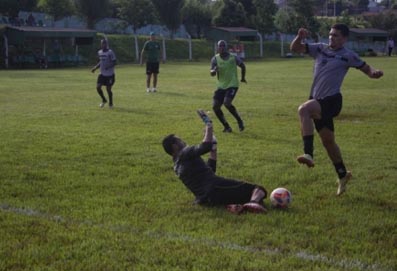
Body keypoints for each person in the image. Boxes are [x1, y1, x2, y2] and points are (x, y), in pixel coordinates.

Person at [290, 24, 383, 196]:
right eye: (331, 35)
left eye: (336, 36)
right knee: (328, 142)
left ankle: (308, 153)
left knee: (303, 110)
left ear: (345, 39)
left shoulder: (348, 56)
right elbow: (295, 48)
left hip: (332, 101)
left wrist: (374, 73)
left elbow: (366, 68)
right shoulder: (319, 49)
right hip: (317, 100)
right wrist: (299, 36)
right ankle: (342, 175)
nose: (332, 38)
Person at [162, 110, 267, 214]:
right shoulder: (184, 153)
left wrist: (214, 148)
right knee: (257, 190)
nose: (184, 141)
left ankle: (235, 205)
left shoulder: (176, 166)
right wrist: (208, 124)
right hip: (215, 188)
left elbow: (210, 170)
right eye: (180, 140)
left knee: (242, 194)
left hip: (205, 199)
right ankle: (253, 203)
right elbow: (205, 146)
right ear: (175, 146)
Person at [210, 40, 246, 133]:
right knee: (215, 107)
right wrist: (214, 70)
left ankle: (239, 120)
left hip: (232, 84)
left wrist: (242, 78)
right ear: (217, 48)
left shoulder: (233, 57)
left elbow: (243, 66)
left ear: (226, 47)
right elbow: (212, 73)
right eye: (220, 46)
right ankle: (227, 127)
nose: (221, 48)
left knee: (226, 103)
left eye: (223, 46)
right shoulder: (215, 59)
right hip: (221, 86)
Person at [91, 39, 117, 108]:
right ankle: (104, 100)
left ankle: (111, 103)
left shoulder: (110, 52)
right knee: (98, 87)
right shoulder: (99, 52)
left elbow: (115, 62)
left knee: (108, 89)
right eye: (102, 44)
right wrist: (95, 68)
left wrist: (108, 66)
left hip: (110, 74)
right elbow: (101, 61)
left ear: (107, 44)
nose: (103, 45)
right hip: (102, 74)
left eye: (104, 44)